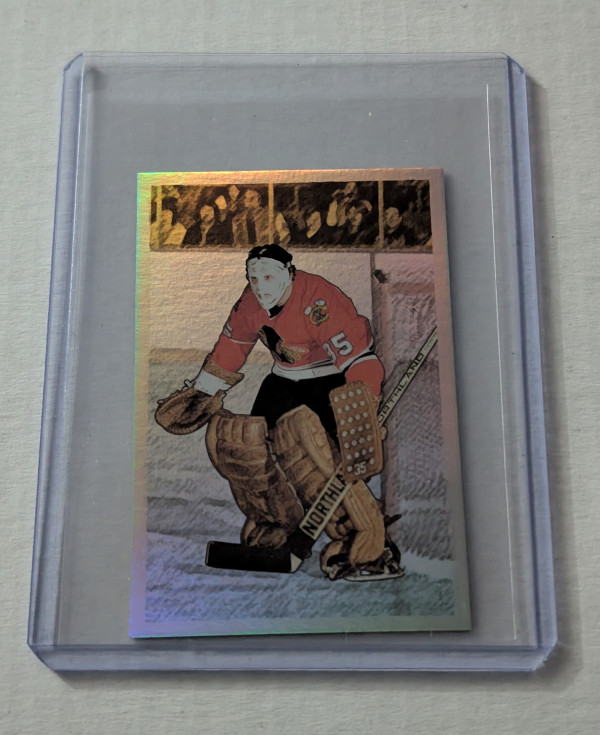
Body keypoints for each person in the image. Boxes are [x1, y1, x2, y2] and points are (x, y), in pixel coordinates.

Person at [191, 244, 400, 580]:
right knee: (248, 445)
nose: (260, 286)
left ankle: (366, 542)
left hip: (329, 381)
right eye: (253, 278)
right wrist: (201, 391)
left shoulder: (318, 300)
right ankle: (276, 524)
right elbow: (233, 346)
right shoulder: (250, 301)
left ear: (289, 274)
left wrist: (364, 410)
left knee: (323, 460)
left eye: (268, 277)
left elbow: (359, 360)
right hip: (284, 380)